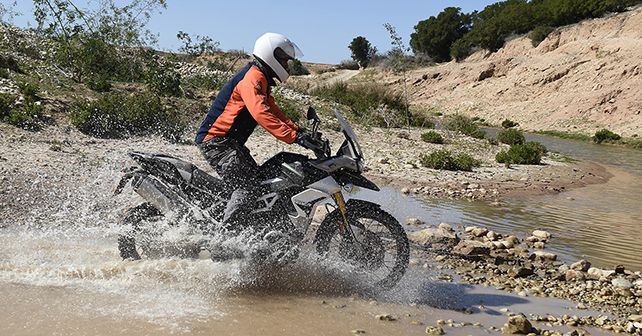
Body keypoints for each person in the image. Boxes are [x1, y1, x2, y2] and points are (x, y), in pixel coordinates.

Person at [195, 32, 313, 229]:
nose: (286, 66)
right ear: (271, 56)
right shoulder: (252, 78)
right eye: (284, 61)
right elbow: (262, 114)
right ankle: (226, 238)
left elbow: (274, 112)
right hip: (217, 142)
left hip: (229, 144)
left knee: (261, 181)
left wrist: (300, 132)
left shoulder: (261, 79)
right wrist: (294, 137)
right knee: (247, 187)